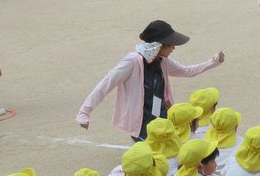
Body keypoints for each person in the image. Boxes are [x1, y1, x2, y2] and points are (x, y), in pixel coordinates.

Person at [76, 20, 225, 142]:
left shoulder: (163, 60)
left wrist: (213, 62)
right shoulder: (132, 62)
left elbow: (186, 71)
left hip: (162, 118)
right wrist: (84, 112)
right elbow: (105, 84)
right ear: (159, 46)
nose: (174, 47)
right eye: (171, 43)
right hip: (142, 123)